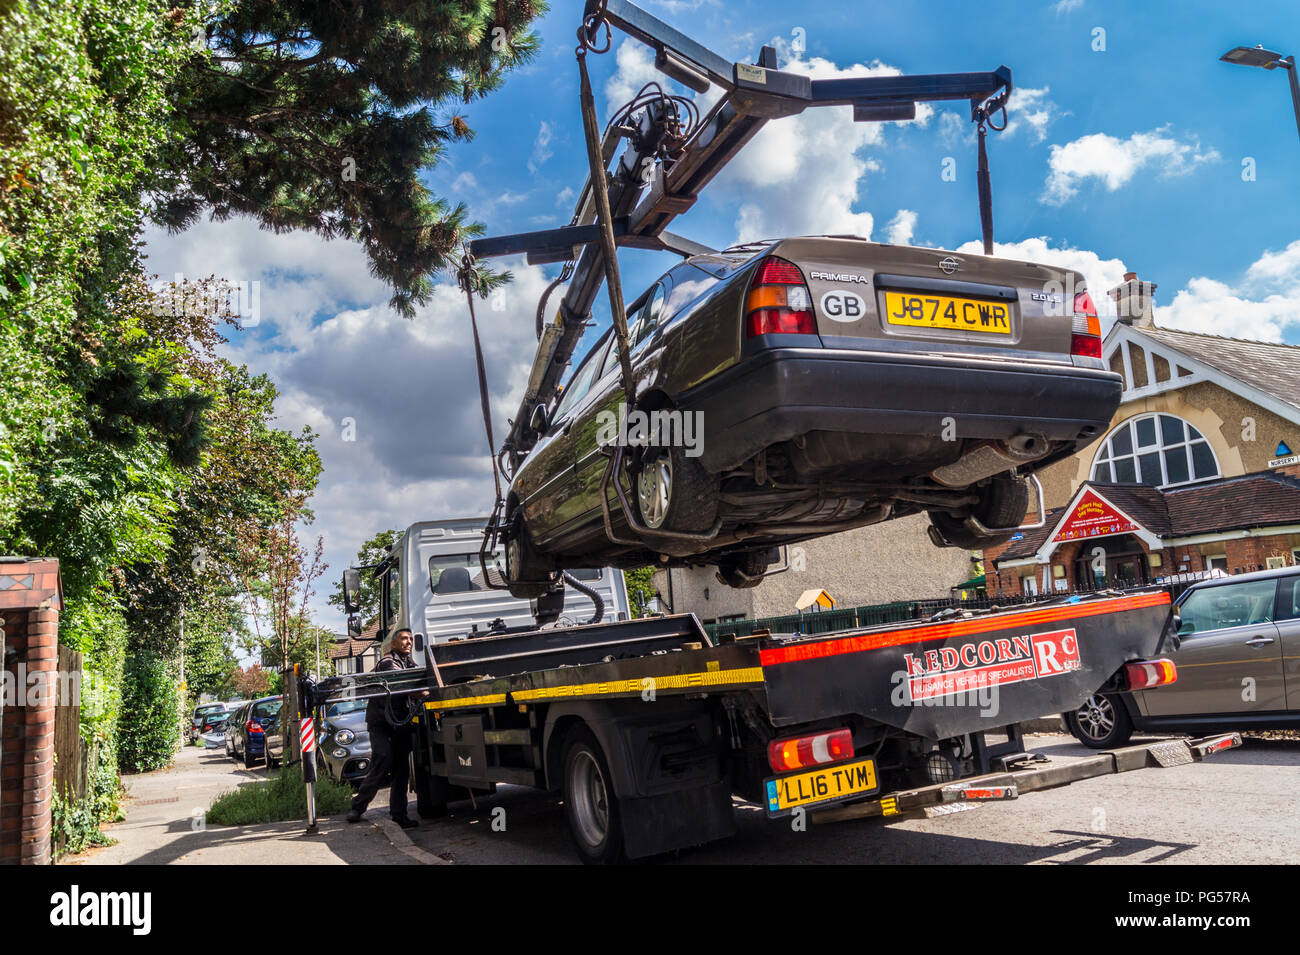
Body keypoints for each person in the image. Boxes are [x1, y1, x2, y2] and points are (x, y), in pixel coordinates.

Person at [346, 629, 425, 827]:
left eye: (410, 639)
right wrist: (422, 692)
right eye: (404, 639)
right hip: (382, 723)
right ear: (393, 644)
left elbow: (419, 680)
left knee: (401, 769)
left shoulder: (408, 662)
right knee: (382, 760)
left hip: (399, 723)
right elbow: (406, 684)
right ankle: (358, 806)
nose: (408, 642)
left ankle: (399, 816)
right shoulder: (388, 662)